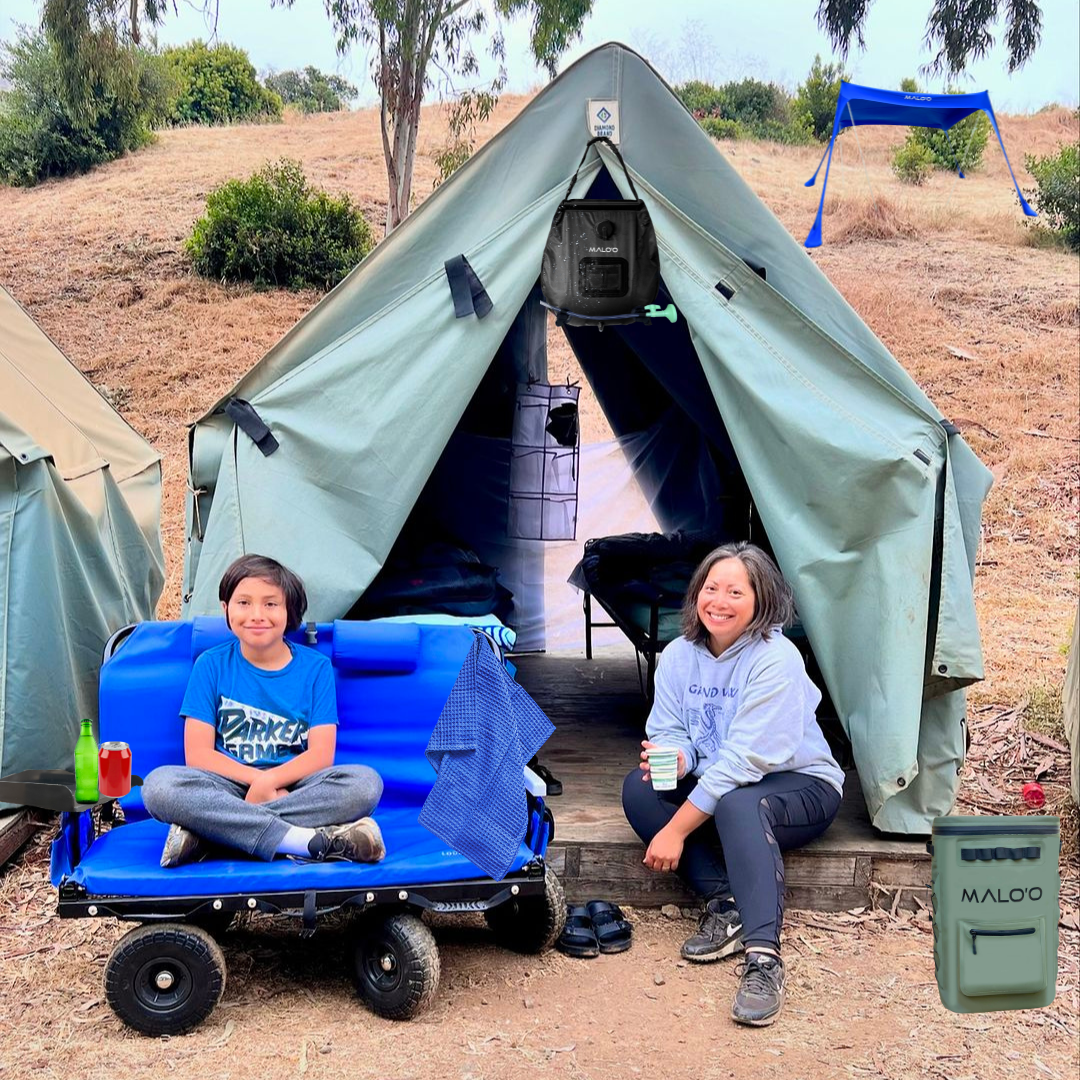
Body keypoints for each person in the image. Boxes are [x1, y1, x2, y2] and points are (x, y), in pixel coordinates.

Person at [621, 541, 844, 1027]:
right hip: (726, 783)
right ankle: (725, 902)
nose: (718, 601)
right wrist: (677, 757)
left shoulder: (776, 659)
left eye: (735, 592)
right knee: (639, 788)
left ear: (761, 601)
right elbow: (670, 727)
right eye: (711, 588)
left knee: (739, 804)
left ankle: (764, 958)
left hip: (800, 785)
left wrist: (676, 830)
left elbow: (743, 763)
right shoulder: (679, 655)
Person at [142, 553, 385, 868]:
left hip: (295, 787)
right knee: (160, 786)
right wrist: (260, 782)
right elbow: (198, 755)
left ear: (289, 611)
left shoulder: (316, 669)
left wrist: (272, 783)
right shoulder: (211, 665)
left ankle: (212, 835)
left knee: (365, 784)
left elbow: (321, 755)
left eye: (271, 604)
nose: (257, 614)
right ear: (226, 610)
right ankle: (302, 840)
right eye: (244, 603)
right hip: (225, 785)